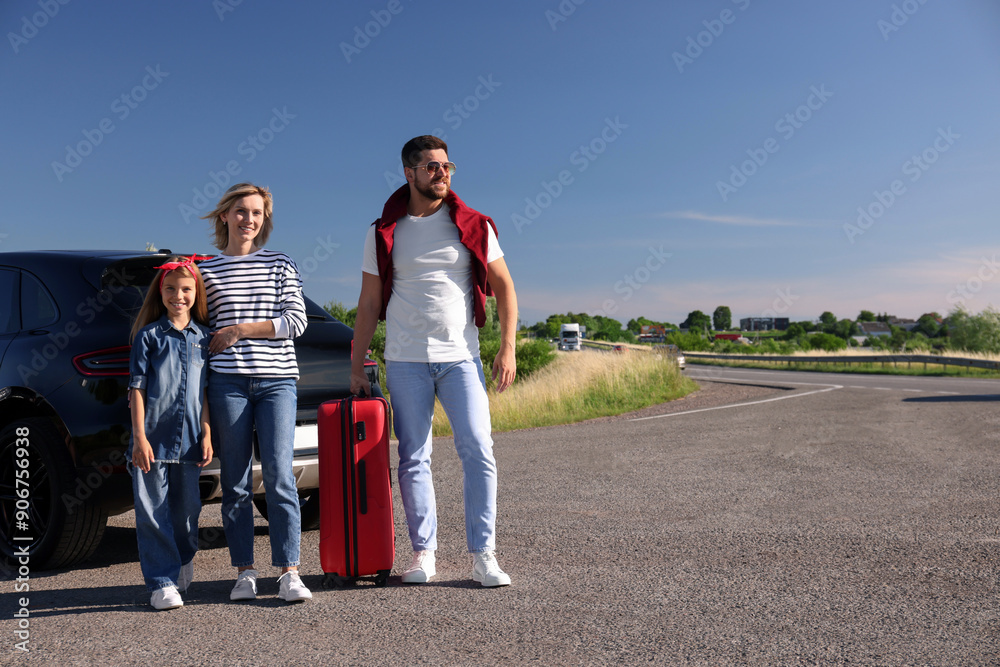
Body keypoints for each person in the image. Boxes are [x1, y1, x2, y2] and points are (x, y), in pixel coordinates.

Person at [350, 135, 518, 587]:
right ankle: (424, 554)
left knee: (479, 450)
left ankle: (485, 554)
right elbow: (368, 303)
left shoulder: (473, 225)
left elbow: (504, 286)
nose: (442, 173)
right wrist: (355, 364)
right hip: (404, 360)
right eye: (431, 167)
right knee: (413, 458)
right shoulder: (383, 231)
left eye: (447, 166)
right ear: (409, 173)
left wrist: (508, 346)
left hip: (461, 358)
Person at [199, 183, 312, 603]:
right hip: (227, 384)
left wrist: (241, 330)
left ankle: (289, 572)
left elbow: (295, 322)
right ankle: (244, 571)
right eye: (242, 212)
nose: (249, 220)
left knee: (281, 477)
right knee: (235, 481)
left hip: (277, 382)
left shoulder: (280, 263)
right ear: (225, 215)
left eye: (258, 214)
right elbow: (200, 331)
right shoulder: (206, 271)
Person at [128, 256, 214, 611]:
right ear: (160, 292)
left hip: (191, 443)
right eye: (170, 289)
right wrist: (139, 438)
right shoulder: (148, 337)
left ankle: (183, 557)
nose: (178, 295)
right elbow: (136, 389)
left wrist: (207, 433)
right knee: (153, 513)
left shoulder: (204, 339)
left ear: (196, 293)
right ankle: (161, 582)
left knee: (187, 512)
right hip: (152, 441)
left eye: (185, 289)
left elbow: (205, 392)